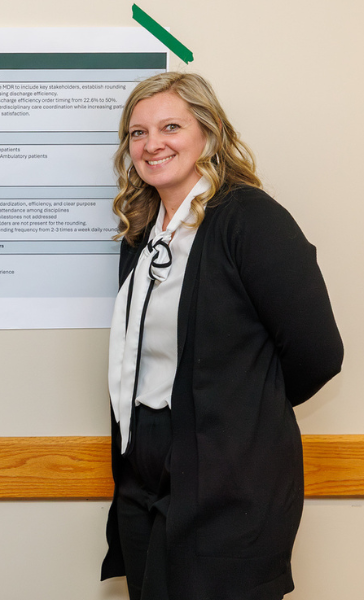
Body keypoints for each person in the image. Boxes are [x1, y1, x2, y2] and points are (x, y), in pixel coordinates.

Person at [101, 72, 343, 600]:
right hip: (145, 472)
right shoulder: (142, 232)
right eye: (137, 133)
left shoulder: (250, 219)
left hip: (229, 478)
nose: (152, 143)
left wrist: (241, 410)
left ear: (207, 135)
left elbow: (319, 353)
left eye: (170, 126)